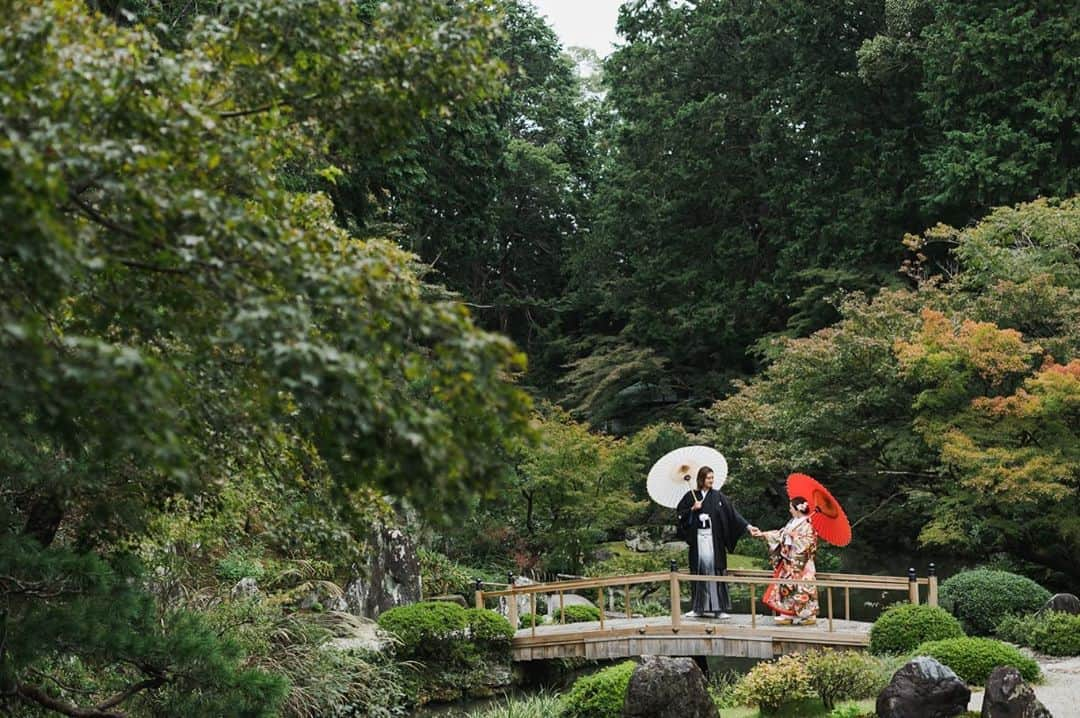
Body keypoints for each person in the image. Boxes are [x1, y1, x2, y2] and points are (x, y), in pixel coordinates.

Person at [676, 466, 758, 618]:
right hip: (698, 540)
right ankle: (698, 608)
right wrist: (693, 509)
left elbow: (733, 514)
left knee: (716, 570)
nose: (711, 481)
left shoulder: (718, 496)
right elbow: (680, 516)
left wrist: (748, 526)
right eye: (708, 478)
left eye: (712, 478)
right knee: (698, 572)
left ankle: (719, 609)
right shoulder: (690, 496)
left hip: (714, 541)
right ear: (701, 479)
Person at [754, 496, 819, 625]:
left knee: (803, 589)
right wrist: (763, 534)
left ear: (797, 509)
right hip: (788, 562)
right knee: (786, 587)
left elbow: (810, 543)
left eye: (791, 507)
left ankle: (808, 616)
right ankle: (787, 614)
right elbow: (780, 534)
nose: (789, 510)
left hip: (802, 564)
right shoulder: (793, 522)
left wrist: (795, 538)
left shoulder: (808, 525)